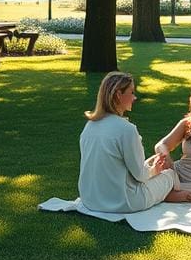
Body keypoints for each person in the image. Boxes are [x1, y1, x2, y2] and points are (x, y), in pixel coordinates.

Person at [77, 71, 183, 213]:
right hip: (124, 202)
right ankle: (181, 195)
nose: (134, 97)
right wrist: (155, 170)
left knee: (153, 171)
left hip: (91, 200)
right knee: (170, 174)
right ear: (118, 94)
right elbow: (140, 175)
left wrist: (150, 167)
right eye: (131, 92)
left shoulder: (90, 126)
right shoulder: (127, 129)